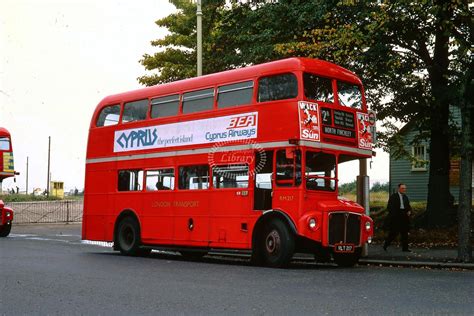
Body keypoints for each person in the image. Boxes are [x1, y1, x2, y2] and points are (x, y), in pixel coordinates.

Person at [383, 183, 412, 252]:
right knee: (393, 233)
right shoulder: (393, 197)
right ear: (398, 189)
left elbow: (408, 205)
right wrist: (394, 215)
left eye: (405, 188)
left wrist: (409, 211)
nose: (404, 190)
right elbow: (389, 207)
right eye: (402, 188)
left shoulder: (405, 197)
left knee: (405, 233)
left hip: (404, 216)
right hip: (396, 217)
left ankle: (405, 248)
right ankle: (386, 245)